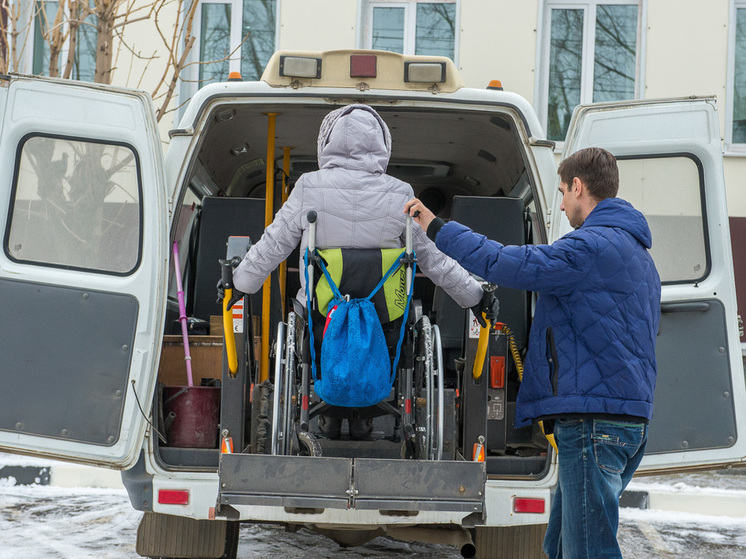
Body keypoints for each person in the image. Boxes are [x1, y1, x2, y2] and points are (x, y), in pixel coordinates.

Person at [405, 147, 661, 559]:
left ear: (579, 187)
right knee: (559, 545)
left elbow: (505, 263)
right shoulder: (640, 258)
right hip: (628, 421)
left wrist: (436, 228)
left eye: (562, 191)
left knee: (588, 551)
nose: (560, 203)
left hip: (592, 425)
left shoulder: (588, 247)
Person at [227, 103, 491, 440]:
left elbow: (272, 245)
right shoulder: (401, 194)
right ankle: (369, 414)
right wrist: (475, 296)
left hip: (322, 317)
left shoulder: (309, 187)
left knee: (305, 307)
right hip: (384, 323)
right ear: (382, 145)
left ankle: (327, 412)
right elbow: (435, 260)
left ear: (328, 141)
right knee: (404, 316)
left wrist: (240, 282)